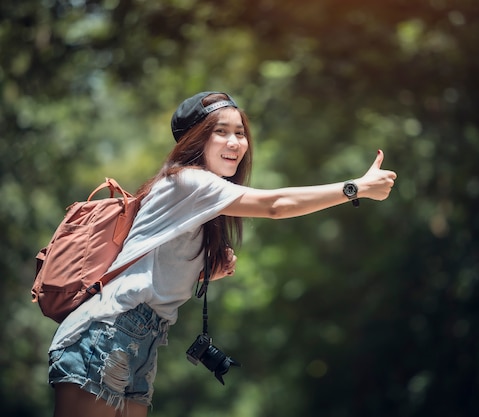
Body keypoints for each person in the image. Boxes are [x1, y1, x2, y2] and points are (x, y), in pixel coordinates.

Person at [48, 91, 397, 417]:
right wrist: (356, 188)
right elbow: (276, 205)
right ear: (196, 139)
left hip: (140, 338)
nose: (234, 143)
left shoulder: (197, 198)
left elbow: (156, 266)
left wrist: (204, 271)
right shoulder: (189, 181)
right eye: (220, 132)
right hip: (107, 331)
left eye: (240, 133)